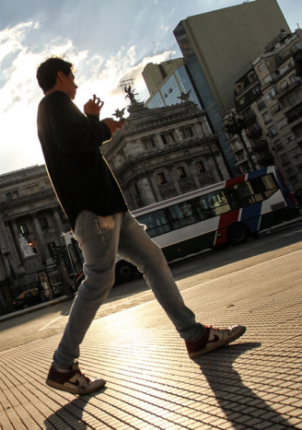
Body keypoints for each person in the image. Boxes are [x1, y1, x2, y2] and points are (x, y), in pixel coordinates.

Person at [35, 57, 246, 395]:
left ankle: (195, 336)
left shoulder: (59, 108)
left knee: (152, 259)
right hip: (96, 208)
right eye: (72, 77)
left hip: (110, 208)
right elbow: (71, 142)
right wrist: (103, 127)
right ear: (61, 76)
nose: (75, 83)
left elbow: (79, 146)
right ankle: (62, 365)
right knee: (99, 279)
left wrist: (90, 119)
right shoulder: (54, 103)